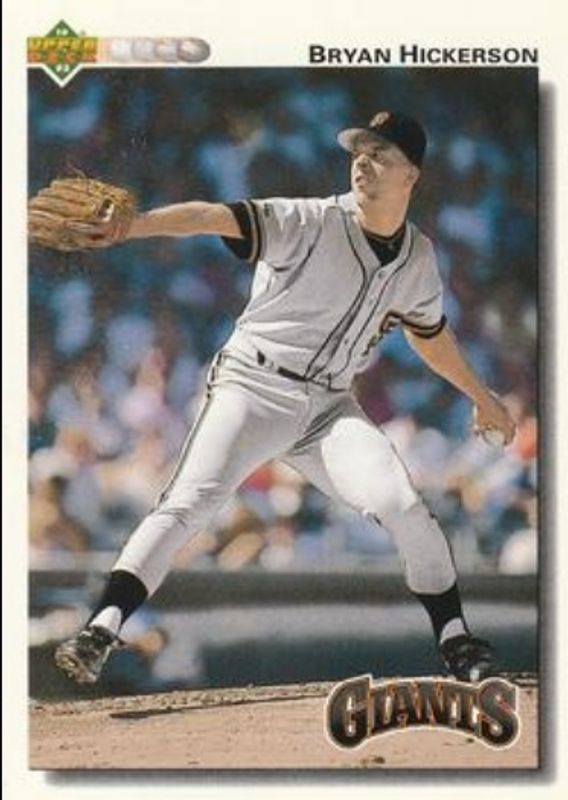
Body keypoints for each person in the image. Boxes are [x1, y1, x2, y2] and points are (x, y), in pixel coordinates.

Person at [54, 111, 516, 686]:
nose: (363, 162)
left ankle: (456, 641)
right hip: (252, 387)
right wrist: (137, 225)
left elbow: (430, 334)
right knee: (188, 503)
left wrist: (481, 396)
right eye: (359, 152)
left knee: (402, 503)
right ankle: (101, 628)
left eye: (380, 155)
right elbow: (213, 216)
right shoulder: (311, 219)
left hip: (328, 409)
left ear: (412, 176)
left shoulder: (418, 258)